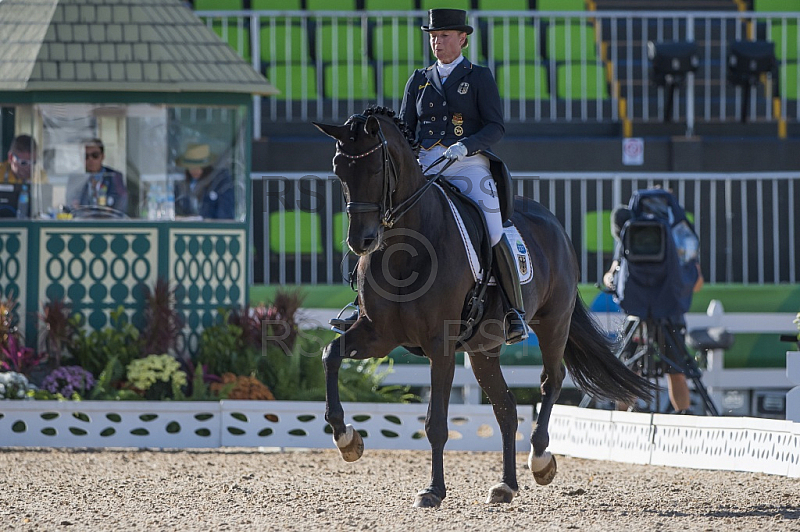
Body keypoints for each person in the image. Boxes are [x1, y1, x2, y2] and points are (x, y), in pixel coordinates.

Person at [330, 8, 527, 345]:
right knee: (385, 218)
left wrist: (466, 146)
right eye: (434, 37)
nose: (437, 42)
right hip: (425, 165)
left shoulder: (478, 77)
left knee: (493, 230)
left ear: (462, 39)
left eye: (444, 36)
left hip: (467, 164)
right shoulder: (419, 79)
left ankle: (512, 311)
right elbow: (405, 129)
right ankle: (362, 307)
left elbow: (496, 126)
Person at [603, 192, 704, 414]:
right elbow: (697, 282)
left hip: (653, 311)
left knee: (669, 369)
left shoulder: (647, 233)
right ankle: (625, 421)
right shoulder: (642, 234)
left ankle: (678, 421)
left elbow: (611, 275)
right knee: (640, 368)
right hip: (661, 311)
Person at [174, 143, 234, 220]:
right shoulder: (182, 186)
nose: (194, 169)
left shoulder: (220, 183)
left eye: (198, 165)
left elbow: (225, 216)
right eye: (190, 165)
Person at [74, 138, 128, 213]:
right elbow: (73, 205)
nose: (90, 159)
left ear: (102, 156)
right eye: (86, 156)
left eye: (95, 155)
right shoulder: (78, 179)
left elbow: (121, 204)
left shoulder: (114, 176)